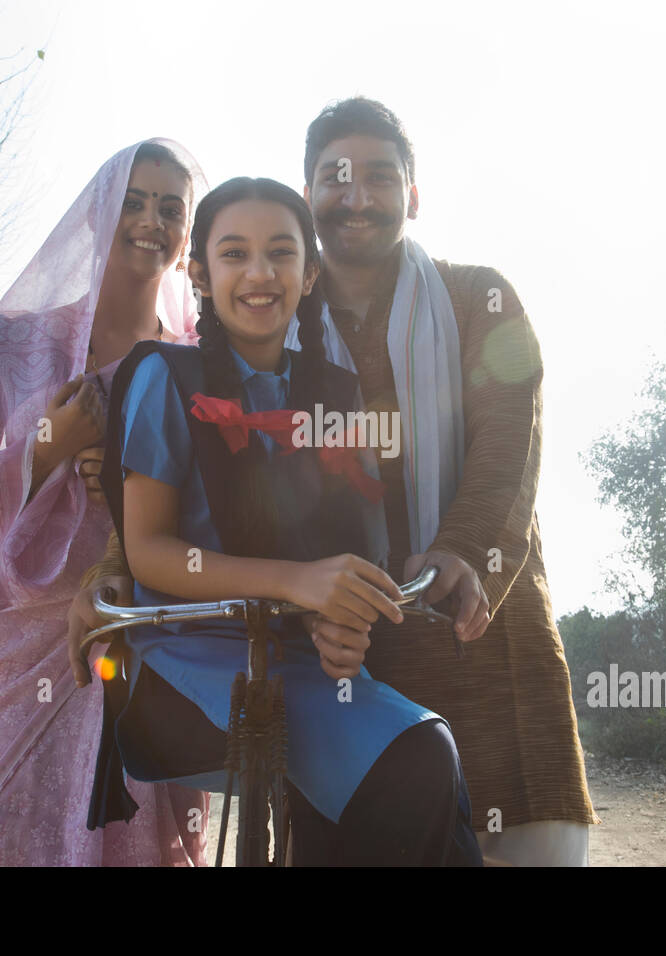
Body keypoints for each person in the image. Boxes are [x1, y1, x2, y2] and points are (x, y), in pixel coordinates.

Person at [83, 176, 483, 866]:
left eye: (281, 253)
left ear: (311, 271)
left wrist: (341, 617)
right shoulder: (164, 376)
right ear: (200, 272)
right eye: (234, 254)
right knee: (416, 756)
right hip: (185, 654)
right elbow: (147, 551)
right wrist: (299, 583)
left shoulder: (334, 390)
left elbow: (347, 546)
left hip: (292, 654)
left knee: (427, 756)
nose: (260, 273)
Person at [282, 98, 601, 865]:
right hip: (348, 661)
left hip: (488, 639)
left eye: (380, 177)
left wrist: (460, 550)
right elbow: (244, 484)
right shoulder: (273, 330)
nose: (356, 196)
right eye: (335, 177)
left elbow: (509, 439)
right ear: (308, 194)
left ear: (413, 196)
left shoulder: (478, 297)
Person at [0, 139, 213, 866]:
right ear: (97, 212)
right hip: (21, 644)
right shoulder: (16, 344)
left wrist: (141, 480)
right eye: (133, 201)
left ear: (186, 237)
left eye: (172, 208)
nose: (150, 220)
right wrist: (48, 444)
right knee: (7, 837)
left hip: (148, 633)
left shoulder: (199, 362)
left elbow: (229, 503)